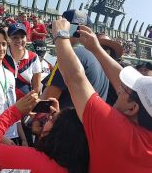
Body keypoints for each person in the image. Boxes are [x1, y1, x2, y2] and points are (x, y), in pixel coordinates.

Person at [51, 15, 152, 173]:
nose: (119, 88)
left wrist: (60, 35)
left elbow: (75, 78)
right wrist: (96, 48)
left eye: (124, 90)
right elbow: (125, 83)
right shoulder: (144, 129)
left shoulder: (117, 131)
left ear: (133, 109)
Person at [41, 9, 109, 109]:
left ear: (69, 29)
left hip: (67, 122)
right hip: (91, 122)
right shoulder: (100, 57)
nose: (53, 32)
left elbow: (46, 103)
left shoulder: (70, 56)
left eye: (57, 27)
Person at [3, 23, 41, 99]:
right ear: (8, 39)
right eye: (15, 37)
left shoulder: (33, 57)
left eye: (22, 37)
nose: (19, 40)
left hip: (25, 105)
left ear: (26, 38)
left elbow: (36, 89)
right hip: (3, 104)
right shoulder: (2, 55)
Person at [96, 32, 124, 105]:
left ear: (111, 51)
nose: (101, 50)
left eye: (105, 48)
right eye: (99, 46)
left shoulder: (122, 71)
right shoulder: (85, 65)